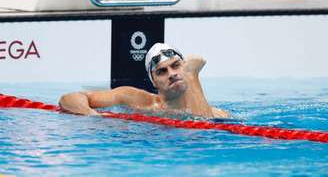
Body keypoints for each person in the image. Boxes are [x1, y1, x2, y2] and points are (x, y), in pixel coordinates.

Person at [59, 43, 230, 119]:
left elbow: (202, 132)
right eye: (162, 71)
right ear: (154, 82)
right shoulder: (139, 101)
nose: (171, 74)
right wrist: (92, 115)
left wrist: (193, 75)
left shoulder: (217, 114)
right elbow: (70, 98)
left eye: (176, 66)